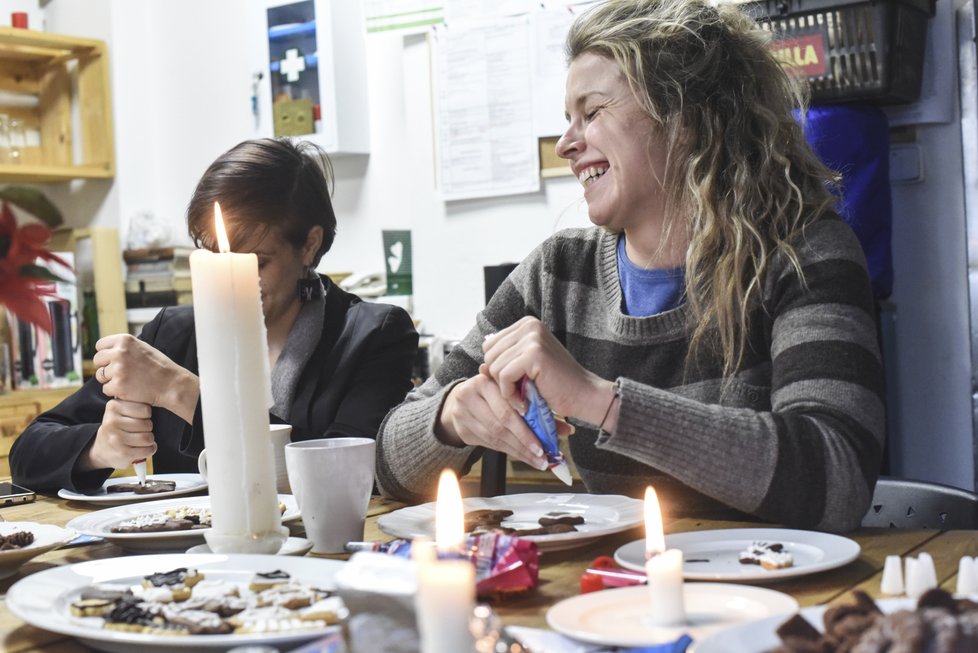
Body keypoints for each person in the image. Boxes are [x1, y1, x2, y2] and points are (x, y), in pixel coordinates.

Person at [376, 0, 884, 532]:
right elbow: (387, 465)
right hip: (610, 597)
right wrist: (451, 418)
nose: (568, 144)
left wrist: (600, 401)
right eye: (567, 121)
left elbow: (839, 476)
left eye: (591, 112)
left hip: (779, 594)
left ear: (683, 116)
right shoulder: (557, 274)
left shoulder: (804, 253)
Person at [12, 138, 419, 493]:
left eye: (256, 263)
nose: (230, 281)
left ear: (309, 245)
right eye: (214, 258)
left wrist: (181, 390)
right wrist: (99, 448)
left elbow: (348, 473)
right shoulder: (172, 335)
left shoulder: (374, 335)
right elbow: (28, 452)